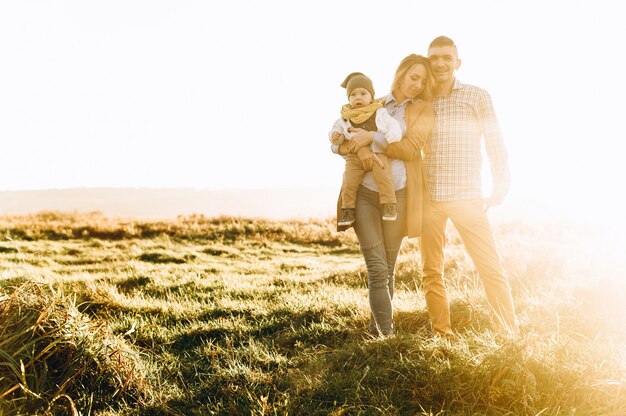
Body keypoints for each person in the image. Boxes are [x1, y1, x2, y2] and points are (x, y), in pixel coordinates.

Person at [331, 54, 436, 337]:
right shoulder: (369, 101)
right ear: (400, 74)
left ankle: (377, 330)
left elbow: (411, 148)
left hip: (398, 195)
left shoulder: (423, 110)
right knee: (377, 267)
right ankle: (386, 335)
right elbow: (340, 144)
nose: (417, 84)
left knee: (388, 268)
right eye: (413, 77)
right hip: (364, 194)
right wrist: (359, 148)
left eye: (423, 80)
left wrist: (371, 139)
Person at [420, 35, 519, 337]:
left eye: (446, 58)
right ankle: (442, 333)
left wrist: (499, 187)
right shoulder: (418, 99)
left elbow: (495, 141)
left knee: (490, 268)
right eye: (434, 57)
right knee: (431, 272)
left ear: (457, 63)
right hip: (429, 200)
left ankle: (509, 335)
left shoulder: (477, 96)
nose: (440, 63)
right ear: (427, 62)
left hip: (469, 199)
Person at [330, 72, 403, 227]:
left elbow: (394, 127)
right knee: (349, 182)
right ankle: (348, 210)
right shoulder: (344, 118)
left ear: (371, 97)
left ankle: (389, 205)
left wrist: (388, 138)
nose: (358, 97)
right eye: (353, 94)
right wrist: (335, 136)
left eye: (363, 93)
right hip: (354, 155)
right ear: (348, 98)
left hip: (377, 151)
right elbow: (335, 133)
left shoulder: (380, 113)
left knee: (384, 176)